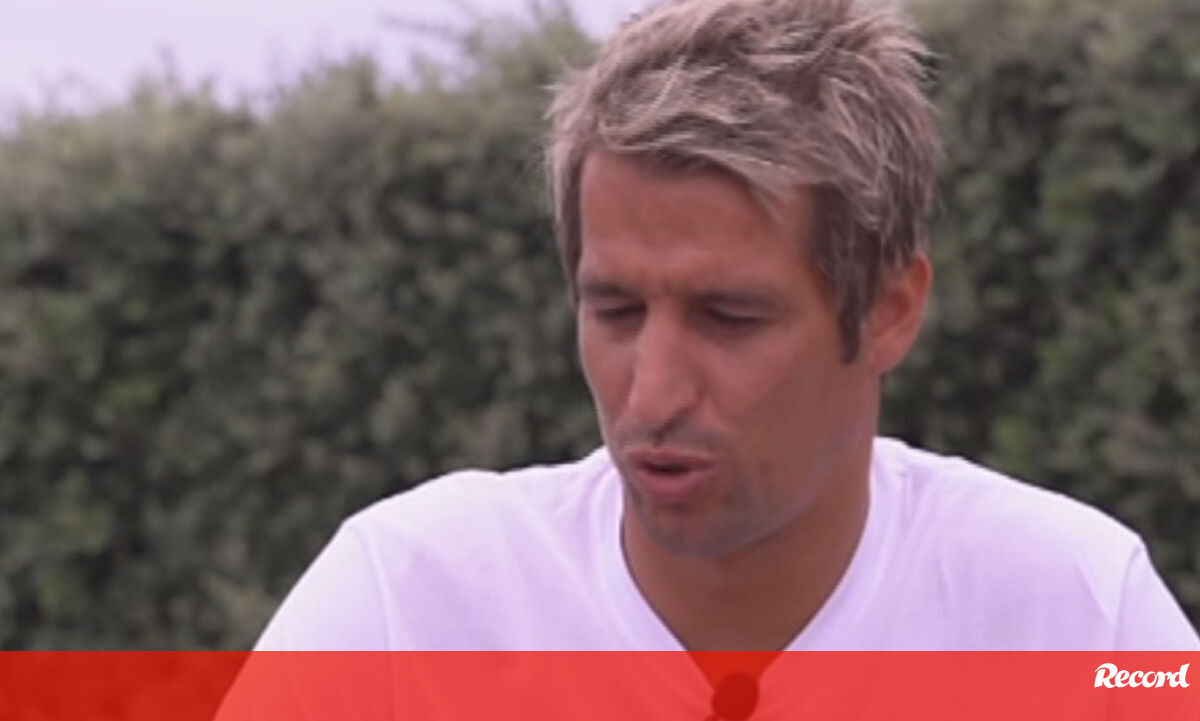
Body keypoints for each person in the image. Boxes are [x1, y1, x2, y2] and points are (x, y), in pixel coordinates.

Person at [252, 0, 1199, 653]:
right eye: (615, 309)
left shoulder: (1086, 618)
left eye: (730, 316)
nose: (653, 393)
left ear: (889, 310)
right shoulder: (404, 607)